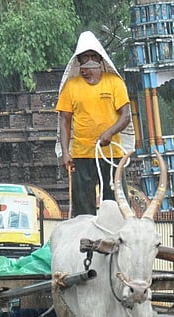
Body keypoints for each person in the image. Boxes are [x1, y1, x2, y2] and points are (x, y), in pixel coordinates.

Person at [55, 31, 131, 217]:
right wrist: (65, 152)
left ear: (99, 59)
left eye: (92, 56)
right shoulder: (71, 86)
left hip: (111, 155)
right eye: (84, 57)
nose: (88, 61)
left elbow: (126, 116)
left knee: (116, 206)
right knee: (83, 210)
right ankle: (86, 243)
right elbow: (65, 121)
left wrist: (109, 133)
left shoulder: (114, 83)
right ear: (79, 61)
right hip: (81, 155)